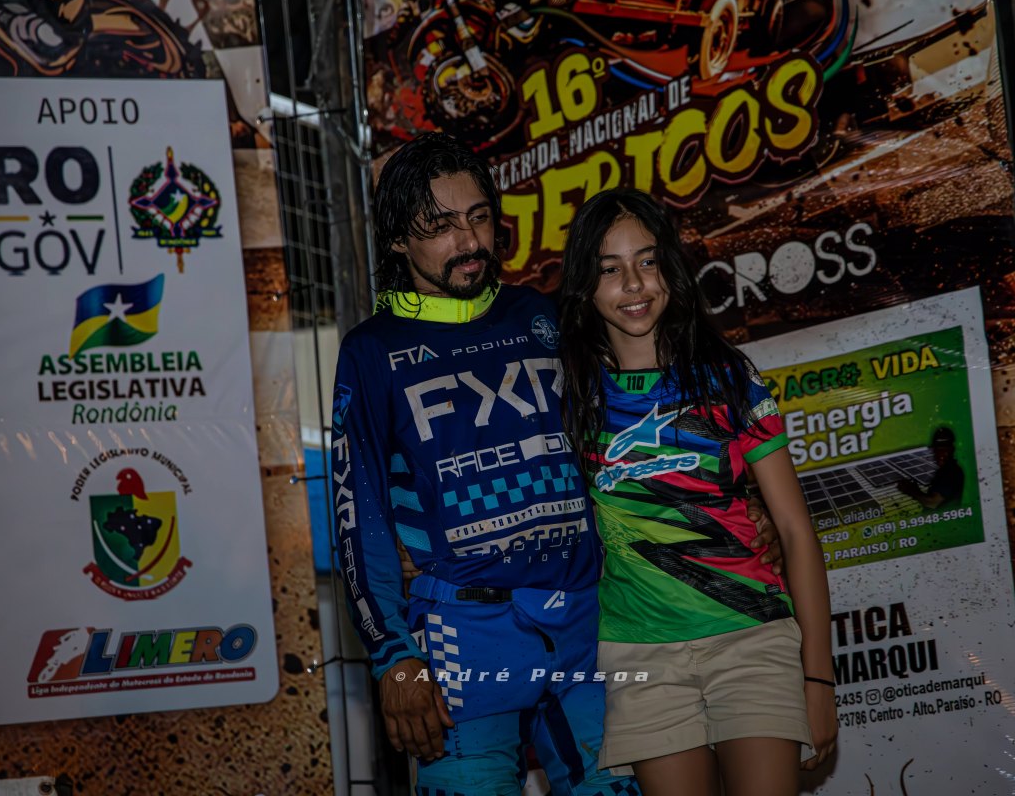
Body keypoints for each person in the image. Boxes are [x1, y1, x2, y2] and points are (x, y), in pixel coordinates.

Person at [330, 134, 783, 795]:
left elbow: (637, 417)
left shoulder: (542, 315)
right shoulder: (371, 351)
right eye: (441, 226)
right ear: (398, 240)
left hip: (589, 626)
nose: (469, 241)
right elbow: (360, 518)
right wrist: (393, 656)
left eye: (479, 217)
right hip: (463, 638)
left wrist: (743, 496)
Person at [557, 187, 838, 796]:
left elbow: (795, 530)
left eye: (648, 261)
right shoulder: (572, 395)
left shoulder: (728, 376)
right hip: (639, 658)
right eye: (610, 269)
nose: (634, 283)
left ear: (671, 269)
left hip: (751, 639)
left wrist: (819, 679)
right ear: (585, 286)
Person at [897, 426, 964, 509]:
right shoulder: (945, 471)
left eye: (945, 450)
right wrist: (916, 490)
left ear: (952, 450)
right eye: (938, 450)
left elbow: (932, 503)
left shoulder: (951, 472)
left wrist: (911, 491)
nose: (941, 455)